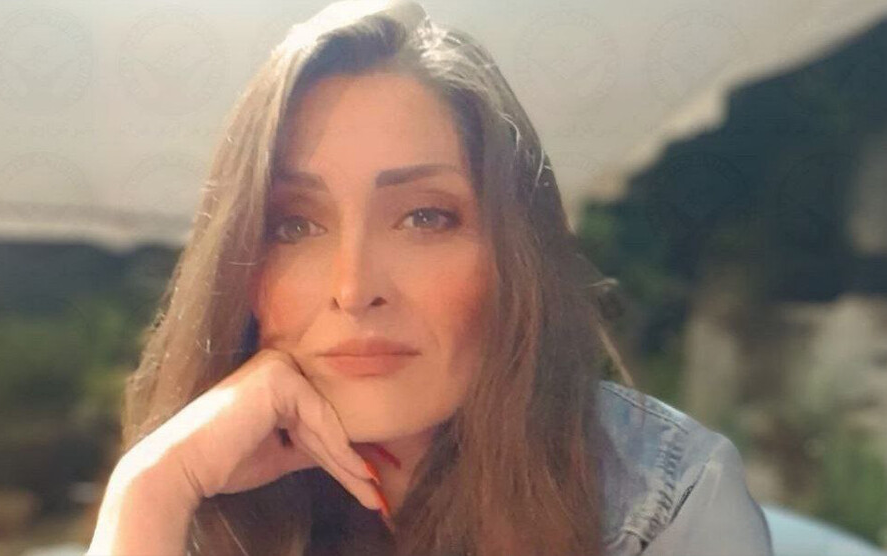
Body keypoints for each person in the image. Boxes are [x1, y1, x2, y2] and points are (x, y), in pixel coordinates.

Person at [85, 1, 773, 555]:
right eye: (294, 225)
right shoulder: (202, 489)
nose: (354, 288)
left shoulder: (664, 501)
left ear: (512, 253)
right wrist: (149, 491)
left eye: (423, 218)